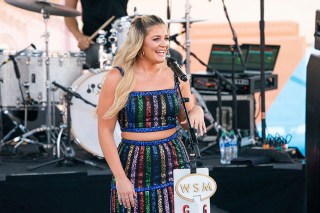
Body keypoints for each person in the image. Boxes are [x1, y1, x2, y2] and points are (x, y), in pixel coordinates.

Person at [96, 15, 206, 212]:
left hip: (174, 159)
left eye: (166, 38)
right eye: (156, 39)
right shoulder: (117, 77)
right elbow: (104, 131)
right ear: (139, 43)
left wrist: (196, 109)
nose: (163, 44)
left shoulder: (175, 73)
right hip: (133, 164)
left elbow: (184, 119)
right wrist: (120, 178)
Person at [64, 0, 129, 68]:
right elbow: (68, 14)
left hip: (122, 40)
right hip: (92, 43)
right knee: (96, 57)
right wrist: (79, 37)